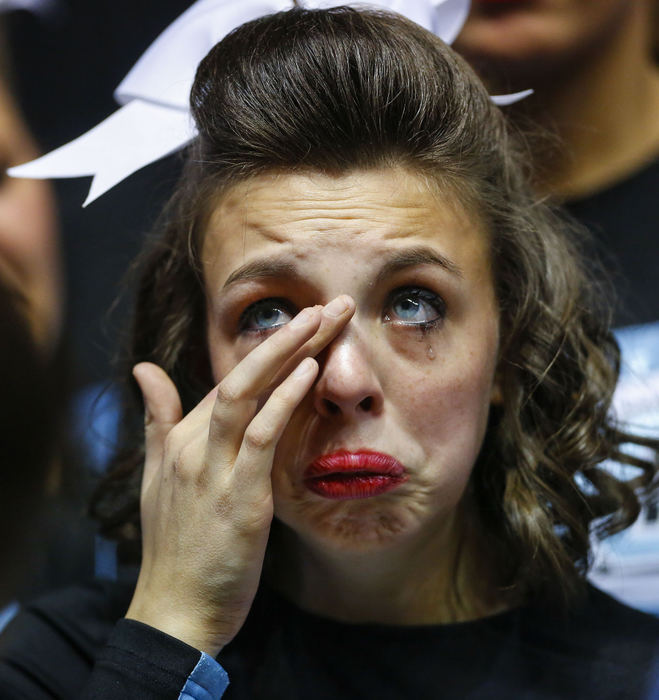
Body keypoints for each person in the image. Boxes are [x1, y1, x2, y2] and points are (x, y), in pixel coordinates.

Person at [1, 6, 658, 698]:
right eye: (270, 315)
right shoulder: (59, 668)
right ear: (201, 365)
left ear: (509, 348)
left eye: (413, 304)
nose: (344, 380)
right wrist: (169, 636)